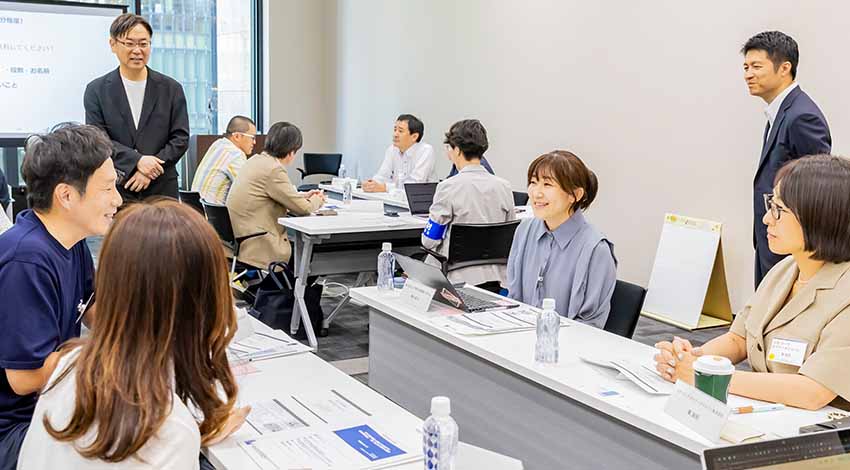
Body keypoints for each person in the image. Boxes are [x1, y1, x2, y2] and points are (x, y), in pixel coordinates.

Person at [17, 200, 249, 469]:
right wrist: (190, 437)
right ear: (205, 301)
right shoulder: (169, 429)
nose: (114, 198)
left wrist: (195, 435)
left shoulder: (69, 365)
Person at [655, 155, 850, 411]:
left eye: (779, 210)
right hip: (769, 414)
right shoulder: (786, 269)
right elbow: (739, 340)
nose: (767, 219)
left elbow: (812, 392)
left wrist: (708, 377)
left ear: (820, 218)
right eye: (770, 205)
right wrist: (690, 359)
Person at [0, 124, 122, 470]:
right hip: (15, 428)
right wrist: (114, 352)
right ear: (66, 196)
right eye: (108, 188)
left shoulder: (68, 241)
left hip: (53, 402)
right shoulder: (28, 260)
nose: (118, 200)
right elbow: (25, 379)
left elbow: (94, 309)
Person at [742, 31, 831, 287]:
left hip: (791, 245)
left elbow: (816, 190)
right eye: (746, 67)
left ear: (785, 68)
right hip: (772, 237)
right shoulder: (780, 112)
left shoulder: (802, 117)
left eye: (757, 66)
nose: (748, 74)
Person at [85, 13, 190, 203]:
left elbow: (180, 138)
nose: (137, 50)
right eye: (129, 43)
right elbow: (98, 140)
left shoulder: (171, 88)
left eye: (143, 44)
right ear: (113, 44)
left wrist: (150, 171)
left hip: (162, 187)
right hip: (118, 187)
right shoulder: (97, 90)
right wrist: (137, 162)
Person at [506, 151, 616, 328]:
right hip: (518, 336)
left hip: (565, 347)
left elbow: (590, 325)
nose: (536, 193)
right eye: (534, 183)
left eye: (547, 184)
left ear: (575, 195)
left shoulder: (595, 249)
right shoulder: (524, 230)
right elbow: (514, 298)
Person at [422, 120, 514, 292]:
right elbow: (508, 236)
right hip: (497, 278)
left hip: (455, 277)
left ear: (457, 149)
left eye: (449, 147)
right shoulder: (504, 186)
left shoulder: (448, 187)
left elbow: (430, 240)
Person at [227, 121, 326, 269]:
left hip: (239, 240)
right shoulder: (274, 169)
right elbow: (304, 209)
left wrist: (302, 196)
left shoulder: (256, 160)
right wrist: (317, 199)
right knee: (310, 254)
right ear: (292, 150)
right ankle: (291, 291)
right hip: (257, 245)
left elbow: (276, 195)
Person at [191, 115, 257, 204]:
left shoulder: (218, 144)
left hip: (195, 211)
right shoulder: (235, 154)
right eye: (252, 137)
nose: (254, 142)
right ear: (237, 136)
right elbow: (249, 188)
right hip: (211, 215)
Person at [362, 114, 435, 192]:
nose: (395, 135)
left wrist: (385, 188)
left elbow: (413, 186)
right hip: (395, 199)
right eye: (395, 130)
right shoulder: (392, 150)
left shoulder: (426, 151)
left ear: (414, 136)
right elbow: (382, 176)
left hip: (420, 201)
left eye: (400, 131)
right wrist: (372, 184)